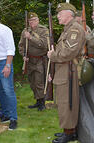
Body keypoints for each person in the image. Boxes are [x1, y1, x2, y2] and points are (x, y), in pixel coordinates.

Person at [47, 3, 86, 143]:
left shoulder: (75, 30)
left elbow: (69, 53)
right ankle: (69, 130)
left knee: (67, 102)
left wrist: (53, 56)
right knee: (65, 102)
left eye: (60, 13)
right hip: (64, 70)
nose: (57, 16)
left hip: (70, 71)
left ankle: (69, 133)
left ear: (69, 14)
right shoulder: (68, 29)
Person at [18, 12, 49, 111]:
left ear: (38, 20)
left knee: (39, 81)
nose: (32, 22)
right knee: (32, 82)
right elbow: (21, 46)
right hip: (30, 60)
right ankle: (37, 100)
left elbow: (44, 45)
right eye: (30, 21)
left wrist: (31, 38)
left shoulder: (43, 30)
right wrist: (23, 55)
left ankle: (42, 102)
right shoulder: (25, 31)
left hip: (40, 59)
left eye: (34, 20)